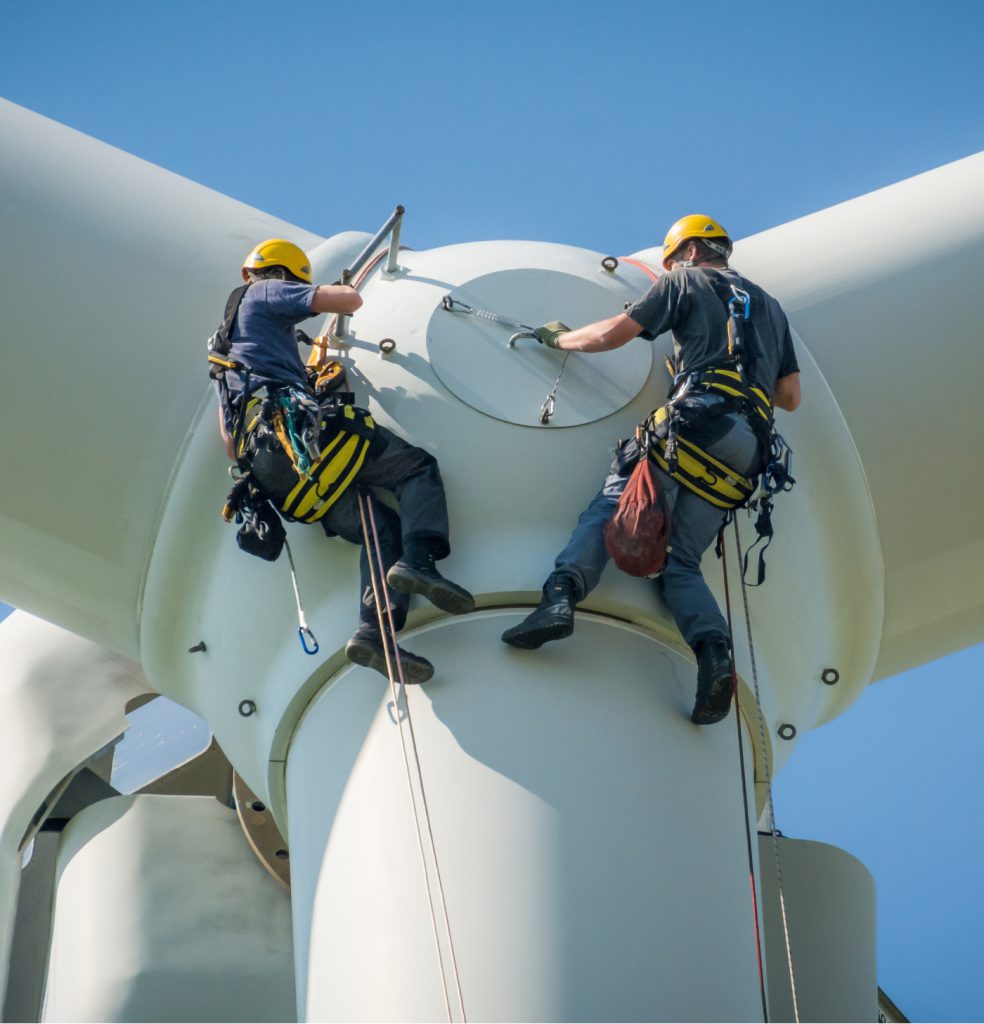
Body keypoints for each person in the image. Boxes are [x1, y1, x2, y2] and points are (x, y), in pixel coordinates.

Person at [501, 215, 801, 725]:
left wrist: (559, 341)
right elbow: (790, 397)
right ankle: (714, 656)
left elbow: (613, 336)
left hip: (695, 421)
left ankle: (560, 599)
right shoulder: (770, 308)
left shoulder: (684, 281)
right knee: (679, 562)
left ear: (685, 253)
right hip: (747, 451)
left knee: (612, 507)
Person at [212, 238, 474, 683]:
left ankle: (374, 633)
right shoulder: (265, 292)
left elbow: (229, 443)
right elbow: (347, 299)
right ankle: (420, 561)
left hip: (274, 470)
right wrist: (332, 292)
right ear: (283, 274)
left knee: (378, 527)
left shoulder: (223, 350)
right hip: (300, 436)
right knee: (414, 468)